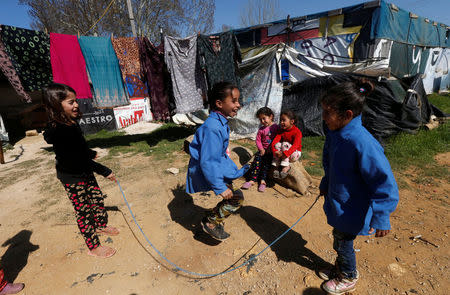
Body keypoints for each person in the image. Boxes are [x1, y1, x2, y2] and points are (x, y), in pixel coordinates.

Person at [318, 79, 399, 294]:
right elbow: (331, 165)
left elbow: (384, 182)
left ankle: (349, 275)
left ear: (347, 115)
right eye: (324, 111)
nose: (324, 118)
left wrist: (381, 216)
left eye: (328, 113)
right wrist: (326, 182)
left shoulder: (362, 143)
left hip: (354, 209)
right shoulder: (335, 134)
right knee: (339, 238)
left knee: (344, 242)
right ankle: (341, 267)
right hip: (339, 203)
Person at [43, 83, 119, 258]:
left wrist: (90, 153)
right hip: (72, 177)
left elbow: (80, 149)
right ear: (56, 105)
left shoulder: (70, 123)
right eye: (71, 102)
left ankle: (100, 225)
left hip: (84, 170)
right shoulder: (61, 130)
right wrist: (105, 171)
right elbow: (77, 155)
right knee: (83, 211)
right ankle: (93, 246)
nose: (76, 105)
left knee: (97, 198)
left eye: (75, 101)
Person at [186, 82, 249, 241]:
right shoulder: (213, 127)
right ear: (219, 104)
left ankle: (212, 216)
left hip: (216, 167)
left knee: (235, 195)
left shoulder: (219, 122)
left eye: (238, 101)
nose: (238, 105)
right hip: (209, 169)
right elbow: (208, 161)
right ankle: (210, 222)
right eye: (234, 101)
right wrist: (219, 186)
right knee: (236, 199)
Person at [241, 107, 279, 192]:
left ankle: (263, 181)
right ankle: (252, 180)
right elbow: (258, 140)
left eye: (264, 118)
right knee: (256, 163)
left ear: (271, 117)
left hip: (271, 152)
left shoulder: (276, 127)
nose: (262, 121)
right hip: (262, 151)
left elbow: (278, 138)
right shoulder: (261, 130)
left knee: (266, 166)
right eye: (260, 119)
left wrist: (273, 148)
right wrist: (261, 149)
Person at [271, 110, 302, 179]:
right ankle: (276, 165)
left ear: (292, 121)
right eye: (281, 120)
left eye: (284, 120)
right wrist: (275, 151)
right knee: (277, 145)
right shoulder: (281, 131)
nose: (281, 122)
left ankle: (285, 167)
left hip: (294, 154)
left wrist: (285, 154)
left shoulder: (297, 132)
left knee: (285, 143)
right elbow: (274, 142)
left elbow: (295, 146)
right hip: (284, 154)